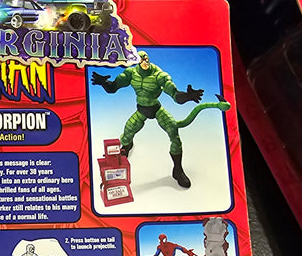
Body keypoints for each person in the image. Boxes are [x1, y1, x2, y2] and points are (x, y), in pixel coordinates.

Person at [92, 50, 230, 188]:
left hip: (156, 109)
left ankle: (178, 170)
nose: (144, 62)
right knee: (127, 132)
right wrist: (103, 83)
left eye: (146, 59)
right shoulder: (131, 73)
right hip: (141, 110)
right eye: (140, 60)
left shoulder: (159, 75)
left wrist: (187, 96)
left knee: (174, 136)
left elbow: (175, 95)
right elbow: (113, 88)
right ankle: (127, 146)